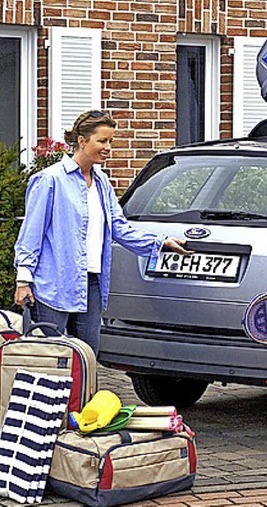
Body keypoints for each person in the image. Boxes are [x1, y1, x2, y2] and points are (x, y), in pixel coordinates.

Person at [14, 110, 190, 354]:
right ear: (82, 141)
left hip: (92, 283)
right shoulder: (49, 180)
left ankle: (84, 395)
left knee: (87, 355)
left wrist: (161, 242)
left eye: (111, 141)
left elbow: (120, 228)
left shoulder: (102, 183)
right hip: (54, 283)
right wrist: (24, 280)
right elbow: (30, 234)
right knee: (50, 357)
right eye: (102, 141)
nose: (108, 147)